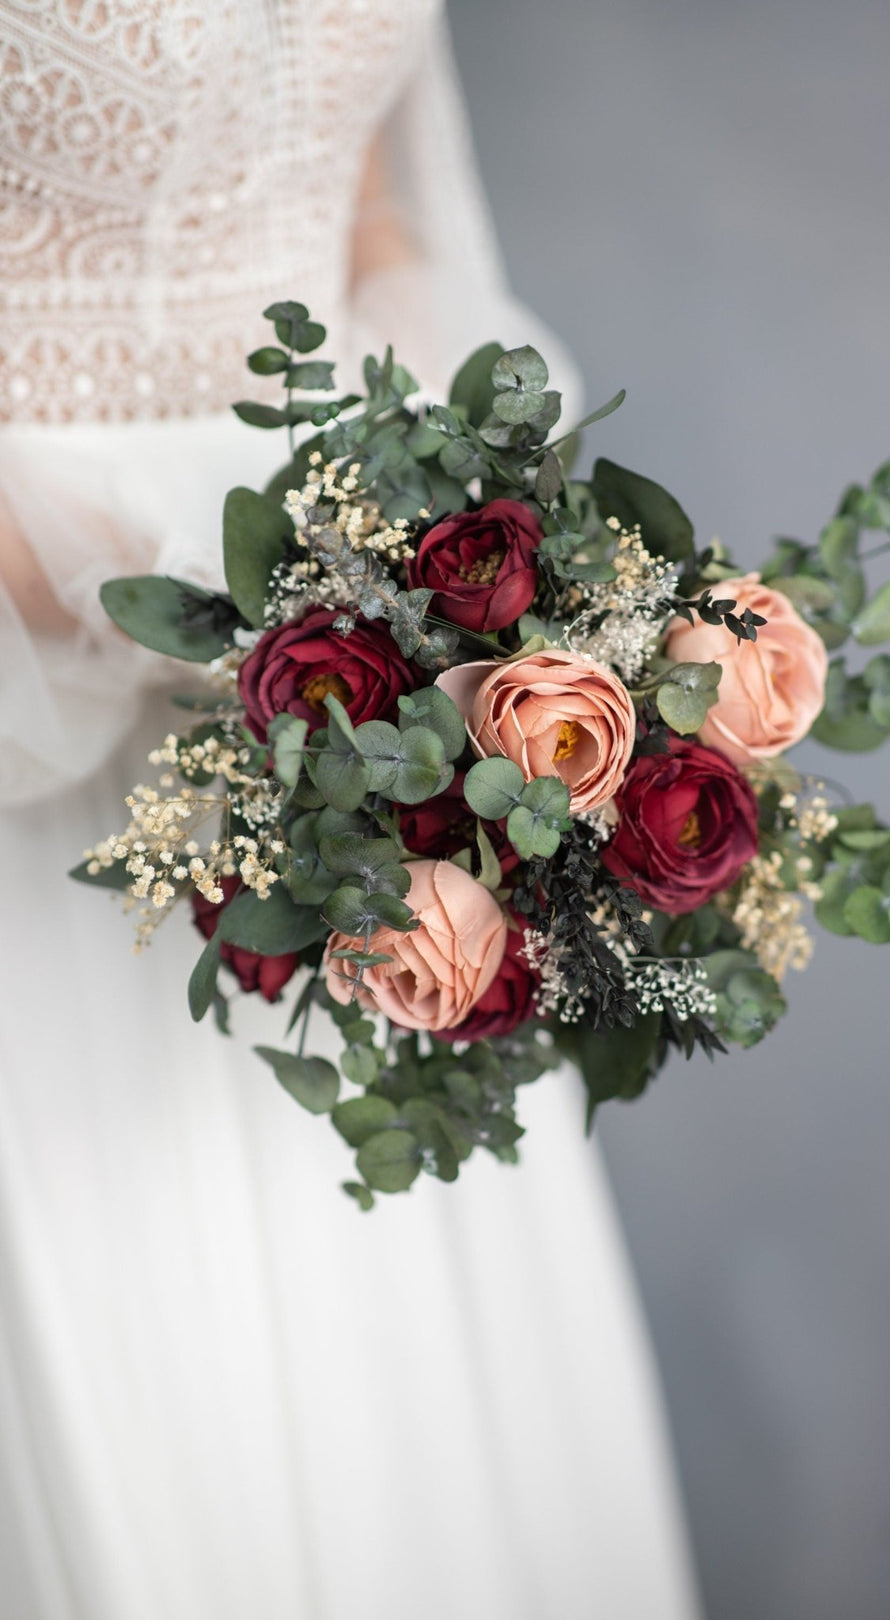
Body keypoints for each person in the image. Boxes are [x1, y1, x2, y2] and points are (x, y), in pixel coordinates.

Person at [0, 6, 702, 1616]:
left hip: (348, 792)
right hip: (40, 751)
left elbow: (368, 211)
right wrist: (196, 574)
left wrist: (465, 551)